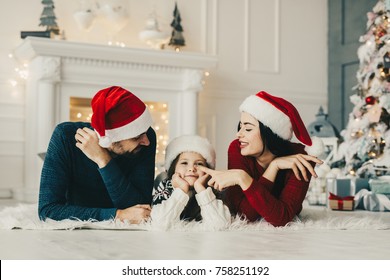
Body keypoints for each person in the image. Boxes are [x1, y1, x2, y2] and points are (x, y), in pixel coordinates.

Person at [198, 91, 324, 227]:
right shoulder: (238, 149)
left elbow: (283, 218)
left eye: (248, 129)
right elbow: (243, 215)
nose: (238, 134)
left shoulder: (300, 157)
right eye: (240, 126)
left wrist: (243, 178)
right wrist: (272, 168)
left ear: (269, 134)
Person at [38, 86, 156, 223]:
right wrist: (117, 215)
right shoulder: (64, 136)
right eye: (136, 137)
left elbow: (140, 210)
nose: (146, 141)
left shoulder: (146, 139)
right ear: (110, 140)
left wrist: (104, 160)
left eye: (146, 131)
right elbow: (47, 211)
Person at [151, 135, 231, 230]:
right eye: (184, 163)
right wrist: (181, 190)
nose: (191, 169)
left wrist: (201, 190)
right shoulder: (165, 188)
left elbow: (221, 225)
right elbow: (159, 223)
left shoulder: (212, 190)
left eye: (199, 164)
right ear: (173, 168)